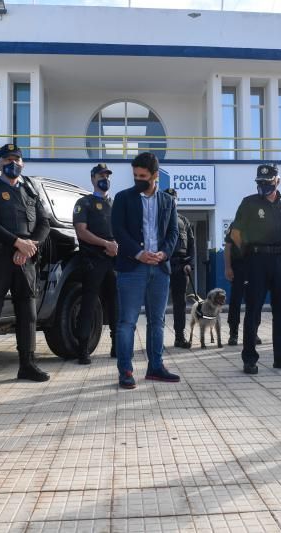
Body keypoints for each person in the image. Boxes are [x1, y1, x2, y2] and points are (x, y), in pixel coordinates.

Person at [0, 144, 52, 390]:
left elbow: (44, 223)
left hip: (25, 259)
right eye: (7, 159)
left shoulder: (30, 190)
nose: (12, 162)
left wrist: (29, 247)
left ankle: (27, 364)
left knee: (28, 313)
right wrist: (17, 243)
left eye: (16, 159)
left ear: (23, 163)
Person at [111, 152, 180, 389]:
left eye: (143, 176)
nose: (138, 180)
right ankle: (126, 371)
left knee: (157, 321)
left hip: (160, 269)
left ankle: (156, 367)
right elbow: (118, 230)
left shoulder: (168, 201)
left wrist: (164, 253)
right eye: (135, 176)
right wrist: (138, 253)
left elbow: (173, 233)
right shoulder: (122, 198)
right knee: (127, 322)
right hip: (132, 268)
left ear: (155, 176)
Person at [230, 163, 281, 375]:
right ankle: (250, 359)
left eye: (268, 182)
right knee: (253, 311)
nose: (263, 186)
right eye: (260, 183)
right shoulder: (249, 203)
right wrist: (246, 254)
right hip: (257, 260)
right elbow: (235, 233)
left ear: (277, 181)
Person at [73, 163, 118, 365]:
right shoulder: (84, 203)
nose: (105, 178)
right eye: (101, 175)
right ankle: (83, 349)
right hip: (93, 260)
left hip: (113, 261)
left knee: (116, 304)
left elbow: (123, 231)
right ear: (92, 178)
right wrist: (105, 244)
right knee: (89, 305)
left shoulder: (115, 204)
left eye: (107, 175)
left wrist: (116, 246)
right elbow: (81, 231)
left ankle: (117, 345)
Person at [163, 188, 196, 349]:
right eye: (168, 198)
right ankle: (156, 339)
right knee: (158, 304)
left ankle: (179, 337)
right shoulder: (157, 219)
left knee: (180, 303)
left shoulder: (184, 220)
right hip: (162, 264)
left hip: (181, 266)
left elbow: (192, 245)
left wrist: (191, 264)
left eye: (173, 198)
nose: (172, 201)